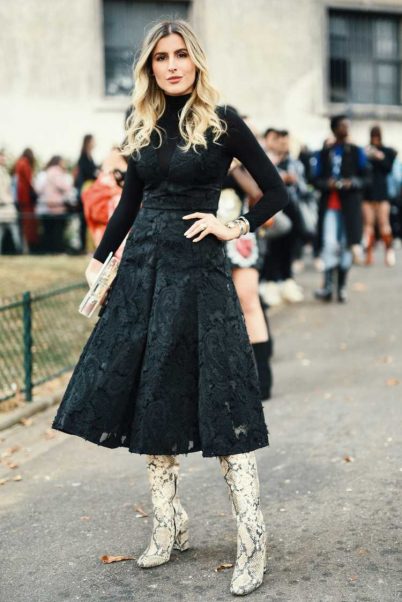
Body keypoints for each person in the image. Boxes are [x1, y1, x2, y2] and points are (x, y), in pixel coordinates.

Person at [51, 20, 288, 596]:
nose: (173, 64)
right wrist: (101, 258)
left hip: (200, 275)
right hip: (142, 276)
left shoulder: (222, 120)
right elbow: (131, 197)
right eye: (161, 57)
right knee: (152, 389)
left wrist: (232, 225)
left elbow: (275, 191)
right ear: (150, 67)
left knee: (224, 392)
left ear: (196, 61)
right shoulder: (141, 121)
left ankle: (252, 538)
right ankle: (169, 525)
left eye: (182, 54)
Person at [314, 115, 370, 303]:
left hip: (350, 207)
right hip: (330, 205)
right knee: (330, 244)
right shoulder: (325, 152)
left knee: (347, 244)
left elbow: (366, 178)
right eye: (343, 126)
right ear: (335, 128)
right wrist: (327, 183)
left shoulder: (356, 151)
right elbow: (314, 178)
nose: (347, 129)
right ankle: (328, 286)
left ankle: (342, 287)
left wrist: (352, 183)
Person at [363, 125, 397, 267]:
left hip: (382, 193)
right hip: (368, 192)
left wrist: (379, 157)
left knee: (384, 224)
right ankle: (369, 254)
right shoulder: (365, 151)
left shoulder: (386, 152)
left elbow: (388, 167)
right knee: (368, 224)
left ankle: (389, 252)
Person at [35, 156, 74, 253]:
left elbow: (40, 189)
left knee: (49, 230)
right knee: (58, 230)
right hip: (58, 204)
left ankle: (49, 249)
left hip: (48, 203)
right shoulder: (56, 172)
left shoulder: (47, 172)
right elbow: (63, 186)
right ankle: (58, 249)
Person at [75, 134, 99, 253]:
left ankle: (89, 246)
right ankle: (84, 246)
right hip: (87, 190)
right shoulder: (83, 158)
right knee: (85, 220)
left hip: (90, 190)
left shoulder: (89, 157)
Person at [14, 148, 40, 253]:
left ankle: (26, 248)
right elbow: (29, 181)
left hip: (22, 198)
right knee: (28, 225)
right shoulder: (25, 164)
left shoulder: (19, 163)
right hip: (26, 200)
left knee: (24, 225)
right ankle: (28, 248)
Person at [0, 149, 22, 253]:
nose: (3, 159)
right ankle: (19, 251)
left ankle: (18, 251)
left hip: (7, 206)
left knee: (11, 230)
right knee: (12, 231)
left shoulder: (4, 172)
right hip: (5, 205)